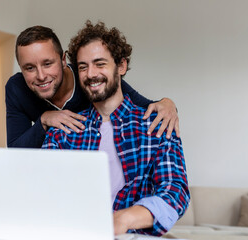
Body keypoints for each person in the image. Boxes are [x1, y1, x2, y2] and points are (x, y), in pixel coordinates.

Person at [42, 21, 189, 236]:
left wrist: (124, 218)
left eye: (99, 64)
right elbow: (44, 192)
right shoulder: (62, 132)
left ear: (121, 66)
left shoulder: (157, 125)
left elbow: (175, 191)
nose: (91, 74)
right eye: (83, 66)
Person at [5, 26, 180, 148]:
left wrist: (168, 103)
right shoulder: (16, 89)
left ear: (64, 60)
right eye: (29, 68)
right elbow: (16, 149)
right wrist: (43, 120)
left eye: (48, 63)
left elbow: (142, 105)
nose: (41, 75)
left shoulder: (89, 79)